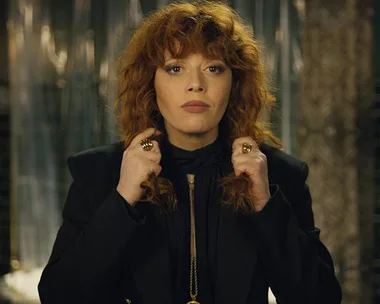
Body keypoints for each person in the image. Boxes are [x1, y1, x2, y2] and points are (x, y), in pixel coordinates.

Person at [38, 1, 342, 303]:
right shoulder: (99, 172)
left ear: (234, 84)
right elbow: (59, 295)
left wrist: (265, 204)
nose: (195, 84)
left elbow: (321, 298)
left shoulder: (278, 175)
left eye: (213, 68)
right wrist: (122, 200)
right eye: (175, 68)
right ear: (150, 83)